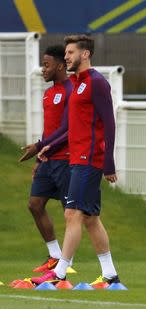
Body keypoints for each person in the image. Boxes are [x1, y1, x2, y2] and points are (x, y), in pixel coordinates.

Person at [31, 34, 120, 286]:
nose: (66, 57)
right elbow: (67, 127)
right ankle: (111, 274)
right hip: (76, 158)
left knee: (72, 213)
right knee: (90, 218)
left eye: (70, 53)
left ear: (85, 54)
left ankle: (59, 274)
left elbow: (109, 124)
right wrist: (44, 146)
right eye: (66, 53)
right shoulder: (77, 83)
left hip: (89, 158)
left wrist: (108, 163)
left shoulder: (97, 83)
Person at [19, 45, 75, 274]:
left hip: (66, 159)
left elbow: (67, 129)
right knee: (34, 205)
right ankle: (55, 256)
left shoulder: (72, 90)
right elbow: (50, 129)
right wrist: (40, 158)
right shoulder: (48, 93)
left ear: (61, 66)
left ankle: (67, 264)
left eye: (47, 65)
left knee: (71, 213)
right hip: (48, 159)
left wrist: (40, 147)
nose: (43, 69)